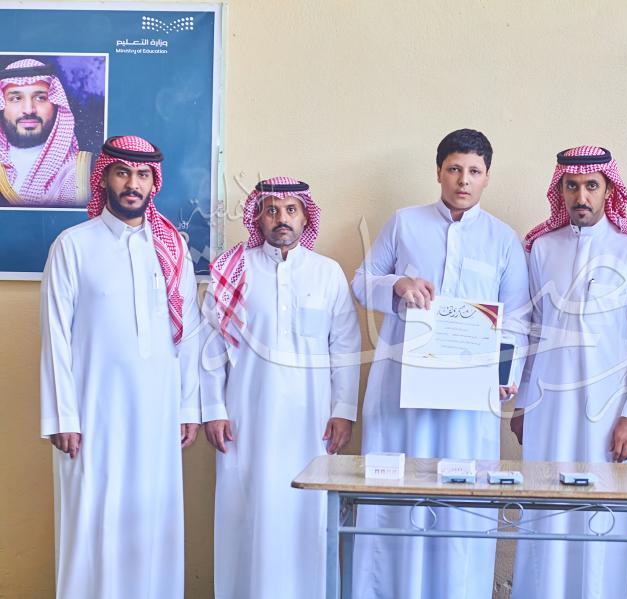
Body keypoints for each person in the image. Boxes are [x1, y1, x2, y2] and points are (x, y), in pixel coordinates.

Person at [351, 129, 530, 599]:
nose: (463, 180)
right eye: (454, 169)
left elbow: (516, 318)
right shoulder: (404, 223)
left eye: (474, 171)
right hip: (402, 392)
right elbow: (361, 281)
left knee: (460, 501)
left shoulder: (503, 240)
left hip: (467, 401)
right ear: (438, 172)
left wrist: (503, 376)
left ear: (487, 177)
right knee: (398, 496)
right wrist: (397, 284)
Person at [40, 135, 201, 598]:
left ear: (154, 182)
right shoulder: (73, 245)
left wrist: (187, 408)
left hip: (157, 415)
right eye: (122, 173)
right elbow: (55, 336)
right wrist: (62, 417)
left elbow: (189, 334)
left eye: (143, 175)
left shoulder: (172, 248)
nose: (133, 184)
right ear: (104, 178)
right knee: (92, 522)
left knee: (152, 522)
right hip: (92, 415)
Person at [509, 145, 627, 599]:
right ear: (560, 191)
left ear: (609, 189)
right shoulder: (540, 248)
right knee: (545, 510)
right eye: (571, 186)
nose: (581, 196)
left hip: (607, 413)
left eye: (592, 185)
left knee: (600, 516)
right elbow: (531, 330)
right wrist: (522, 403)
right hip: (548, 409)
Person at [200, 176, 360, 598]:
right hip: (245, 420)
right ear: (258, 217)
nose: (281, 218)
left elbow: (345, 346)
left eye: (291, 210)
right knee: (249, 513)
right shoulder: (233, 271)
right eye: (271, 210)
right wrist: (213, 409)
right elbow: (210, 348)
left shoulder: (327, 273)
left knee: (306, 513)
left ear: (306, 217)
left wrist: (343, 411)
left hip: (312, 423)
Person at [0, 59, 90, 206]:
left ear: (56, 104)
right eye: (16, 98)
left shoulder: (78, 172)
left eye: (40, 98)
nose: (29, 109)